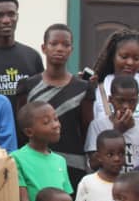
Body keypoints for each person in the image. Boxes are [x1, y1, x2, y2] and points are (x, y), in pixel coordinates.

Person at [14, 24, 91, 187]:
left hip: (72, 168)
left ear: (72, 49)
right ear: (44, 47)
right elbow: (21, 130)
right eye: (54, 43)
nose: (60, 49)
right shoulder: (27, 86)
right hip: (33, 164)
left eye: (66, 45)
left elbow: (86, 131)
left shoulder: (84, 89)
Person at [13, 101, 72, 201]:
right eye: (46, 122)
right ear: (29, 132)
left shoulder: (60, 161)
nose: (56, 125)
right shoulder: (16, 159)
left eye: (56, 119)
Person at [0, 0, 43, 105]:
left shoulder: (32, 56)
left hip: (26, 123)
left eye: (11, 14)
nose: (6, 20)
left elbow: (41, 97)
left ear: (17, 16)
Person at [85, 75, 139, 172]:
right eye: (120, 101)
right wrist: (117, 131)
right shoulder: (98, 126)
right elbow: (92, 164)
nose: (126, 106)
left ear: (138, 101)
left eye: (132, 101)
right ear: (110, 99)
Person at [75, 130, 125, 201]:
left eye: (121, 153)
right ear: (98, 157)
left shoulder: (129, 184)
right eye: (110, 154)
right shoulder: (87, 182)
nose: (117, 158)